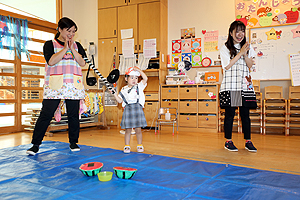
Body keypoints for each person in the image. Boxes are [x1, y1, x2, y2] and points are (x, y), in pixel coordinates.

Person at [26, 17, 87, 155]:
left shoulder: (77, 46)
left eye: (73, 31)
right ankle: (35, 144)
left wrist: (72, 48)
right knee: (46, 114)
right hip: (55, 86)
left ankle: (73, 142)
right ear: (60, 29)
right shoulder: (50, 44)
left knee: (73, 115)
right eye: (68, 31)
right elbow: (51, 61)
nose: (71, 34)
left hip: (73, 86)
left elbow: (82, 63)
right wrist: (65, 49)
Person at [219, 20, 257, 152]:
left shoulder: (248, 47)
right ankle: (228, 141)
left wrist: (245, 54)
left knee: (245, 115)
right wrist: (240, 53)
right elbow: (226, 66)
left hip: (244, 86)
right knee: (230, 115)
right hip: (231, 86)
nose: (240, 34)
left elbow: (250, 65)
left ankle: (248, 141)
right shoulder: (225, 48)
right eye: (237, 31)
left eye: (242, 31)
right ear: (231, 33)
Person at [112, 66, 148, 153]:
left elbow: (145, 78)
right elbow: (120, 100)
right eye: (131, 77)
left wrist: (139, 70)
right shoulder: (123, 89)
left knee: (138, 129)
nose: (134, 80)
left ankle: (139, 145)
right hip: (128, 109)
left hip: (138, 109)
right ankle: (127, 145)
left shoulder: (139, 86)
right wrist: (114, 94)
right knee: (128, 130)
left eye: (136, 78)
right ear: (126, 78)